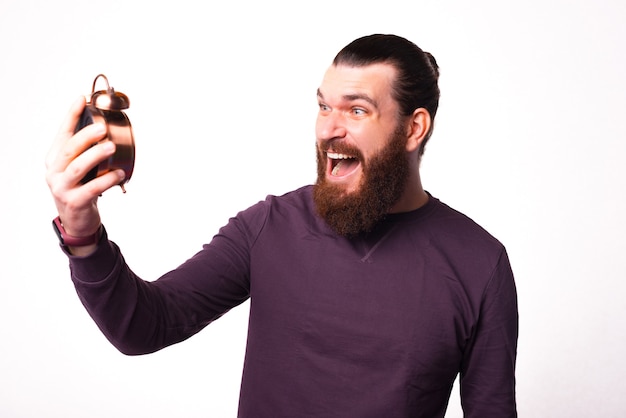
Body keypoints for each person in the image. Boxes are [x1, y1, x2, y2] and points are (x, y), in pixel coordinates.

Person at [46, 34, 518, 417]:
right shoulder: (269, 226)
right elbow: (142, 326)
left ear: (414, 129)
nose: (328, 129)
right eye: (323, 106)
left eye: (356, 110)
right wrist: (81, 230)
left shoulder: (479, 263)